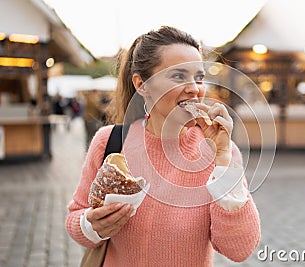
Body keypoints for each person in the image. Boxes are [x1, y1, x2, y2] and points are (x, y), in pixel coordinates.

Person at [65, 26, 260, 266]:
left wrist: (222, 160)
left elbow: (239, 249)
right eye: (178, 76)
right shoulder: (109, 142)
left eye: (199, 77)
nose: (194, 88)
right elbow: (76, 218)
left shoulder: (219, 152)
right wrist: (91, 225)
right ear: (142, 85)